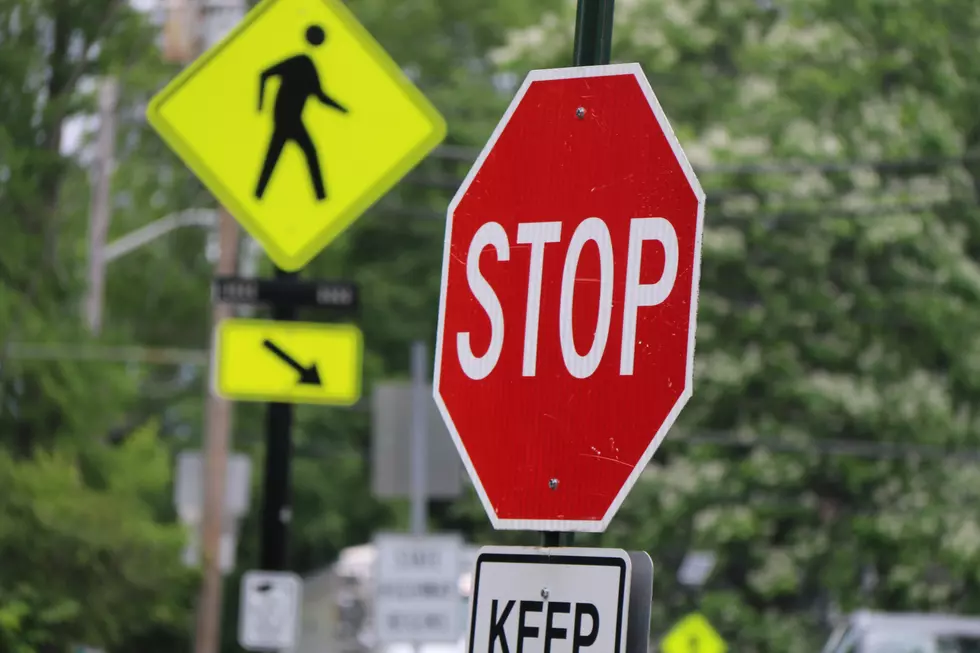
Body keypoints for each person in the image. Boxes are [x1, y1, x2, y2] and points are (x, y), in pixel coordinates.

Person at [254, 24, 347, 202]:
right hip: (285, 120)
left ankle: (319, 198)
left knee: (280, 157)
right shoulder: (300, 61)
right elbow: (263, 74)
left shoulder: (309, 66)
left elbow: (320, 96)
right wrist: (260, 105)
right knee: (299, 155)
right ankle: (321, 197)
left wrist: (343, 110)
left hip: (292, 120)